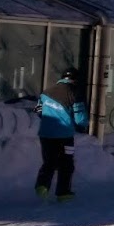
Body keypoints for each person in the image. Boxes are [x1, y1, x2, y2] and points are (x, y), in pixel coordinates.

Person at [36, 67, 88, 201]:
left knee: (49, 162)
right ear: (75, 80)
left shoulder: (45, 92)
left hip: (45, 134)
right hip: (65, 136)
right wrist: (83, 125)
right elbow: (80, 119)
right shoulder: (74, 93)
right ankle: (63, 193)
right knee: (66, 163)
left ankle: (42, 185)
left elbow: (38, 110)